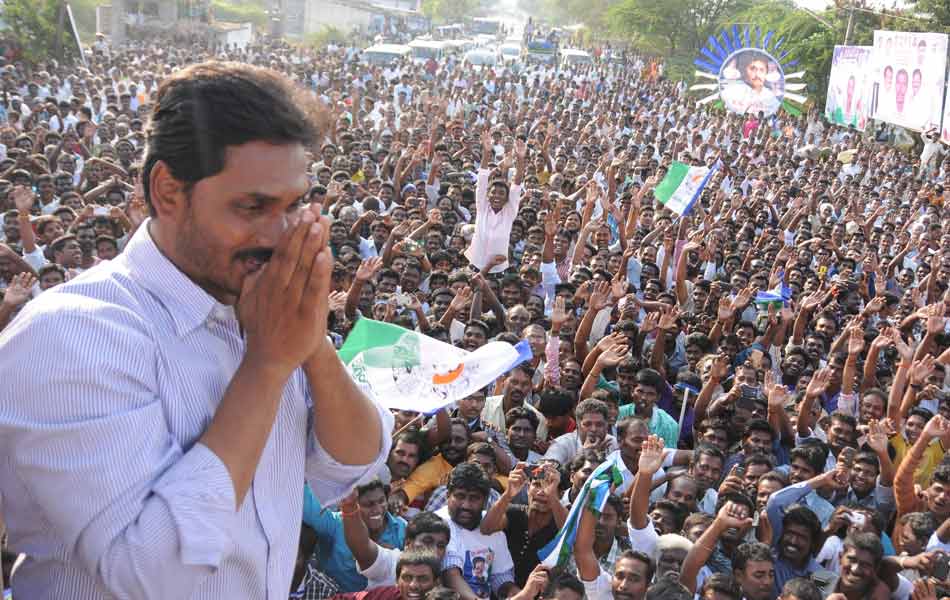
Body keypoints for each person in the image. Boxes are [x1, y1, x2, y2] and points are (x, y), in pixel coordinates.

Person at [0, 61, 392, 598]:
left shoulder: (264, 312)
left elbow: (353, 465)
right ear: (168, 191)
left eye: (296, 204)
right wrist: (267, 366)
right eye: (252, 206)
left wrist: (311, 347)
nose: (279, 234)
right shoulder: (71, 336)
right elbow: (151, 572)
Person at [437, 463, 519, 599]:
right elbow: (451, 577)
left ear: (485, 501)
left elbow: (501, 579)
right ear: (447, 496)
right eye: (460, 496)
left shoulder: (494, 528)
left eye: (474, 498)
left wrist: (517, 594)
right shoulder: (439, 523)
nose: (466, 505)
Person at [720, 51, 781, 116]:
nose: (756, 74)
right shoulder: (732, 91)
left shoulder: (770, 96)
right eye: (752, 69)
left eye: (761, 70)